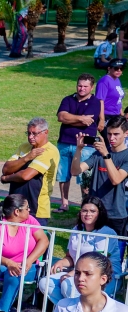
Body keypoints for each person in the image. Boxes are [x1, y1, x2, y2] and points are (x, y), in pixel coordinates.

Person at [0, 193, 48, 312]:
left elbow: (44, 241)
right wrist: (8, 263)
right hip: (2, 264)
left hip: (27, 266)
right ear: (17, 212)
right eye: (27, 208)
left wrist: (28, 261)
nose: (29, 210)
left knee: (14, 272)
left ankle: (2, 310)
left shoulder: (30, 220)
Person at [41, 196, 122, 304]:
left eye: (92, 211)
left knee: (67, 285)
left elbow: (97, 263)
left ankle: (81, 311)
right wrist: (62, 262)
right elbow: (70, 257)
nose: (88, 214)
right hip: (79, 273)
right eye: (84, 211)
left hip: (104, 277)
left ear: (100, 213)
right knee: (45, 283)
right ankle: (69, 308)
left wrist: (72, 274)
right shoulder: (76, 229)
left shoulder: (106, 233)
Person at [57, 74, 101, 212]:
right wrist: (81, 118)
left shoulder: (95, 102)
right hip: (64, 142)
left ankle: (85, 205)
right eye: (80, 85)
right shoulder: (67, 99)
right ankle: (64, 204)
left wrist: (69, 119)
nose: (81, 88)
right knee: (63, 175)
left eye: (85, 86)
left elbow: (87, 122)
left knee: (85, 177)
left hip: (86, 145)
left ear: (91, 87)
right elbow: (61, 117)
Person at [96, 60, 124, 125]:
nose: (119, 70)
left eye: (121, 68)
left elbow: (118, 99)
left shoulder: (117, 79)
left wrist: (122, 115)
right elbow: (100, 101)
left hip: (116, 115)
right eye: (116, 68)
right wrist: (102, 120)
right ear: (109, 68)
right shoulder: (104, 81)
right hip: (107, 115)